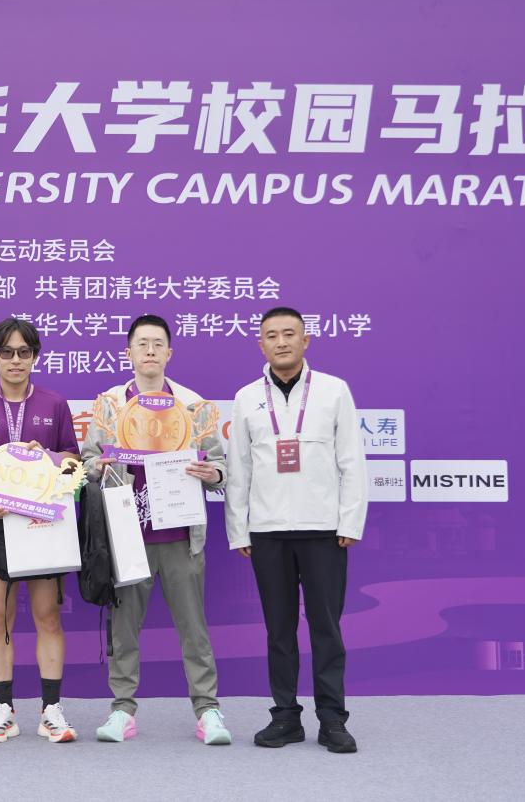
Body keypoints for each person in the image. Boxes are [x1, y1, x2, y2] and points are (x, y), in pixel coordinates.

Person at [81, 314, 232, 745]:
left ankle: (207, 710)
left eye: (157, 344)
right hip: (128, 534)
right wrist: (98, 466)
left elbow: (219, 466)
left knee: (194, 629)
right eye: (142, 344)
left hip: (181, 535)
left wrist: (212, 473)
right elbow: (87, 460)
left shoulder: (193, 406)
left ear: (169, 353)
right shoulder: (110, 405)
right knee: (123, 629)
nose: (150, 351)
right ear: (128, 352)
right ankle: (122, 710)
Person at [224, 306, 367, 754]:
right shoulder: (247, 397)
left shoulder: (333, 391)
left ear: (306, 341)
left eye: (290, 334)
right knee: (278, 630)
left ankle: (332, 719)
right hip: (267, 531)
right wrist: (239, 530)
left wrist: (350, 521)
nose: (281, 342)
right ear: (260, 344)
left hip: (324, 530)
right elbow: (239, 468)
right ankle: (285, 716)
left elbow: (352, 462)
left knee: (326, 627)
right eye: (272, 335)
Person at [0, 318, 81, 743]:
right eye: (6, 352)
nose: (15, 360)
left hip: (43, 527)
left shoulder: (54, 404)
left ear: (34, 356)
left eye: (24, 352)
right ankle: (4, 711)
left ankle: (52, 710)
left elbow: (73, 462)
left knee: (48, 616)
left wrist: (46, 456)